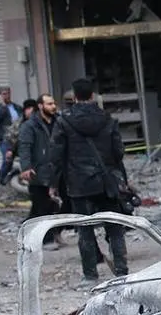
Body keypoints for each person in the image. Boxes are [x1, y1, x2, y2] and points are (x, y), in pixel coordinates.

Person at [47, 78, 129, 284]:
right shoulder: (107, 119)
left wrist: (53, 184)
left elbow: (56, 155)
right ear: (93, 96)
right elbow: (119, 152)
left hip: (79, 183)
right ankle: (122, 272)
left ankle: (90, 275)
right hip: (106, 182)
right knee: (115, 228)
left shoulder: (64, 121)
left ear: (74, 97)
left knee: (84, 230)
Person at [18, 93, 61, 247]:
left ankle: (35, 232)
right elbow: (24, 147)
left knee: (50, 206)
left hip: (56, 171)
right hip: (38, 171)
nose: (53, 106)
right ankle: (47, 239)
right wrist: (26, 167)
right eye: (49, 104)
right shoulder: (30, 125)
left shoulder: (59, 122)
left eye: (53, 103)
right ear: (41, 106)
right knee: (42, 205)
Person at [0, 85, 19, 184]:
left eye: (8, 93)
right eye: (4, 94)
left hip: (17, 137)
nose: (7, 96)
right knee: (8, 159)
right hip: (4, 138)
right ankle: (2, 179)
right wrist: (2, 105)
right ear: (0, 95)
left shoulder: (16, 106)